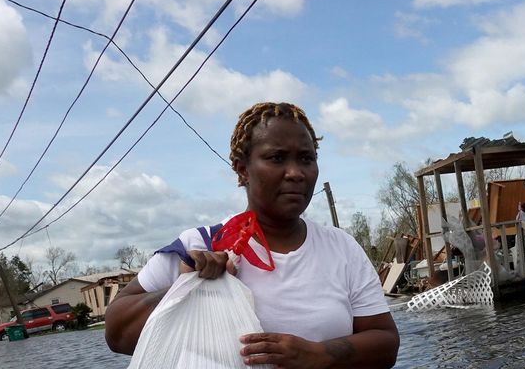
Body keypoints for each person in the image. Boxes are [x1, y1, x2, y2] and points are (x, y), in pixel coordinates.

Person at [105, 102, 399, 368]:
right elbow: (117, 335)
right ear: (241, 170)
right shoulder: (198, 247)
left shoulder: (341, 248)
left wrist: (319, 354)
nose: (296, 172)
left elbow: (386, 342)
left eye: (306, 159)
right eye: (276, 158)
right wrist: (185, 288)